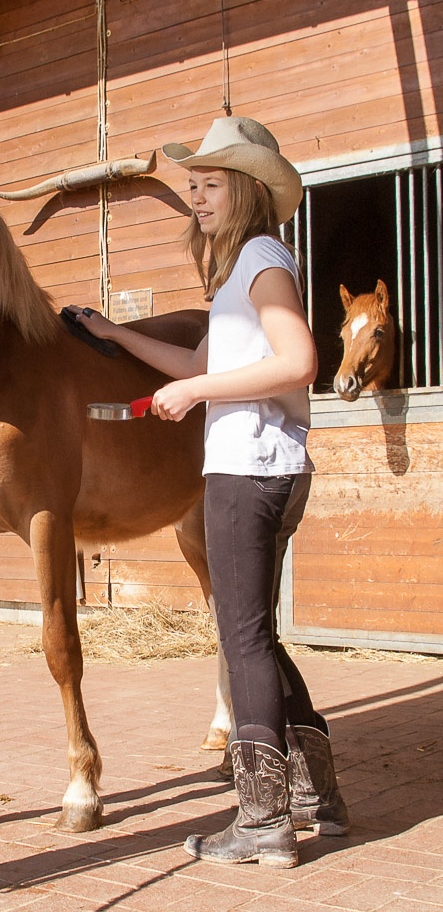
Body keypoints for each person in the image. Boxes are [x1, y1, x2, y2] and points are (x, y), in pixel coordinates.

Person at [70, 116, 349, 868]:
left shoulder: (262, 257)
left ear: (249, 190)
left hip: (250, 470)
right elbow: (194, 355)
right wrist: (117, 334)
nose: (197, 196)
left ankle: (262, 820)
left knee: (242, 637)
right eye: (193, 185)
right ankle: (318, 794)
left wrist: (195, 392)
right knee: (255, 633)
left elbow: (299, 360)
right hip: (258, 468)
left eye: (212, 184)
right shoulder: (239, 273)